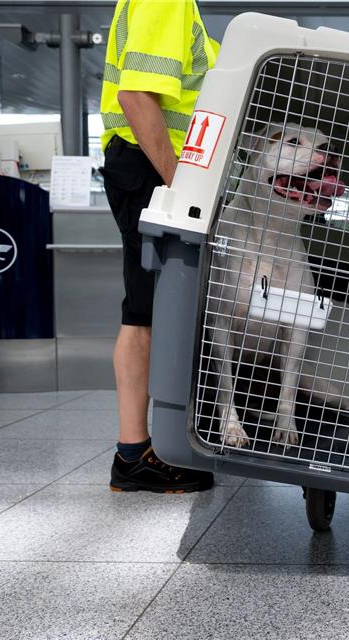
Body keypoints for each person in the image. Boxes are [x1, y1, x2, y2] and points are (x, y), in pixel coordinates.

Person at [99, 0, 219, 493]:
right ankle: (134, 455)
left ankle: (146, 448)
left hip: (146, 167)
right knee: (146, 313)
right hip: (150, 169)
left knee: (150, 311)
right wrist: (179, 187)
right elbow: (137, 97)